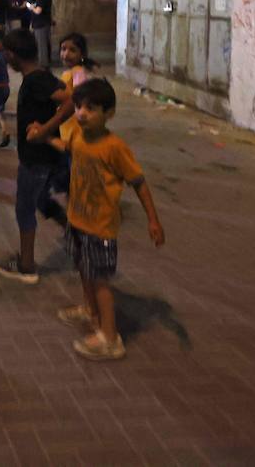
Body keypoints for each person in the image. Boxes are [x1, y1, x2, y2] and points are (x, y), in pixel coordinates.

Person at [52, 79, 165, 360]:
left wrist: (153, 220)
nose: (81, 114)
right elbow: (68, 148)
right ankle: (89, 310)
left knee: (101, 279)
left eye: (91, 108)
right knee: (83, 268)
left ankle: (110, 337)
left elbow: (138, 182)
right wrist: (43, 136)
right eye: (78, 107)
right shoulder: (79, 137)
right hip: (77, 219)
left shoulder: (115, 147)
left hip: (100, 226)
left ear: (109, 113)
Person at [0, 29, 68, 285]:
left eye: (5, 54)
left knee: (24, 208)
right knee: (39, 200)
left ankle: (26, 266)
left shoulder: (36, 79)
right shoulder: (40, 77)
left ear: (12, 55)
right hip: (44, 157)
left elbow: (69, 100)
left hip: (37, 158)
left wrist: (45, 129)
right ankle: (74, 231)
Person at [30, 0, 55, 68]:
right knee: (44, 43)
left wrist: (31, 7)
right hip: (44, 23)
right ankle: (45, 62)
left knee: (41, 45)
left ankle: (42, 64)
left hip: (41, 24)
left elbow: (38, 11)